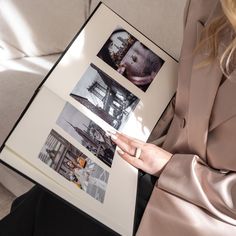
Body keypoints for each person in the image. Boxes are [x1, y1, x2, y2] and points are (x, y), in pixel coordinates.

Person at [0, 0, 235, 235]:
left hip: (204, 212)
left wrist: (168, 166)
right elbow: (187, 98)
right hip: (155, 162)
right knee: (48, 195)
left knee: (54, 208)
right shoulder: (207, 4)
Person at [109, 0, 236, 235]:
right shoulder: (208, 4)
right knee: (42, 202)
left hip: (205, 217)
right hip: (148, 168)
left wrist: (169, 167)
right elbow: (184, 102)